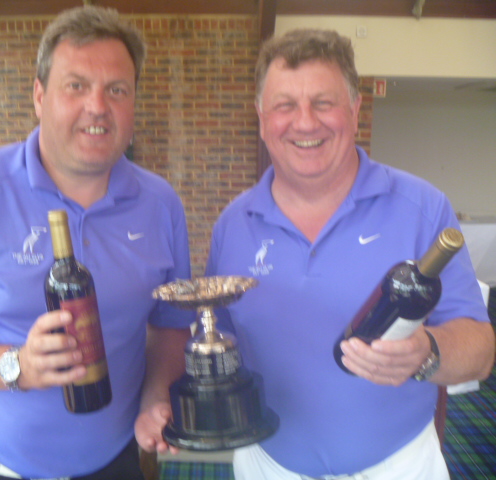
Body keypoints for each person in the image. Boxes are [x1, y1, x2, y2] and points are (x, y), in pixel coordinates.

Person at [0, 6, 192, 480]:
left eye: (117, 90)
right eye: (76, 86)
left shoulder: (160, 203)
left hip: (113, 466)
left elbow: (169, 327)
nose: (97, 106)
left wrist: (155, 398)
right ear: (40, 96)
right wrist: (15, 366)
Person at [202, 29, 495, 480]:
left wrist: (427, 352)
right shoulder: (232, 224)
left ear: (355, 110)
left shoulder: (422, 207)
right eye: (284, 105)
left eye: (324, 103)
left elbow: (480, 349)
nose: (305, 123)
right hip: (267, 464)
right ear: (262, 119)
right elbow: (219, 338)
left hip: (398, 466)